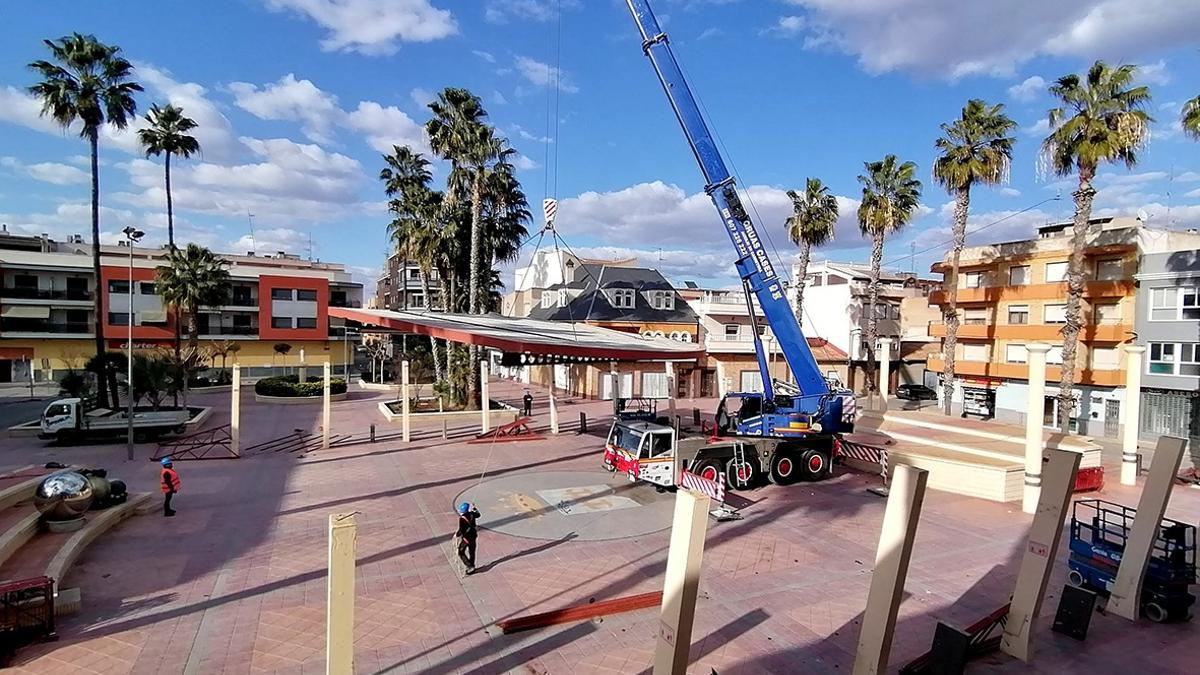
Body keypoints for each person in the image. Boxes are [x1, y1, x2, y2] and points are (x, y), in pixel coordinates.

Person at [455, 502, 481, 574]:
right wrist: (475, 509)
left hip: (467, 538)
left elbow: (462, 530)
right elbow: (478, 515)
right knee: (472, 552)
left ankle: (469, 566)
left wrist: (457, 535)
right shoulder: (472, 514)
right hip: (474, 536)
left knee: (461, 552)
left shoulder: (462, 519)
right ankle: (472, 566)